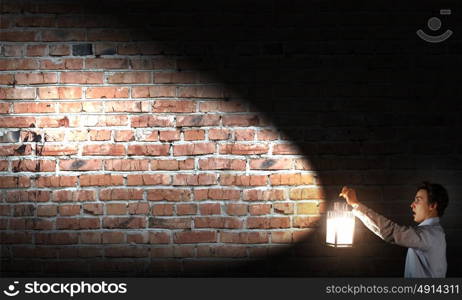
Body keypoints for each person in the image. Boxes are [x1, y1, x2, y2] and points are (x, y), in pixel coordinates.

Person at [339, 182, 449, 278]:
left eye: (418, 200)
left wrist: (355, 204)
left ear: (433, 205)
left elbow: (391, 232)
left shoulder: (430, 235)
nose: (412, 205)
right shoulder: (434, 233)